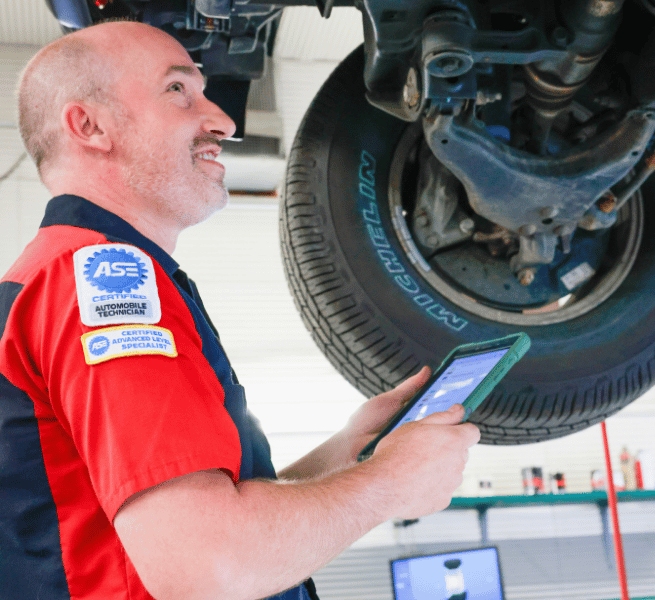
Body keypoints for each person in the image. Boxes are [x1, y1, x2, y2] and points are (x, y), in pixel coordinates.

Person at [0, 20, 480, 600]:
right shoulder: (101, 281)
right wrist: (390, 483)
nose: (223, 121)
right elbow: (211, 565)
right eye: (178, 90)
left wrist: (350, 454)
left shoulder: (74, 275)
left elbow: (206, 516)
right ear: (90, 126)